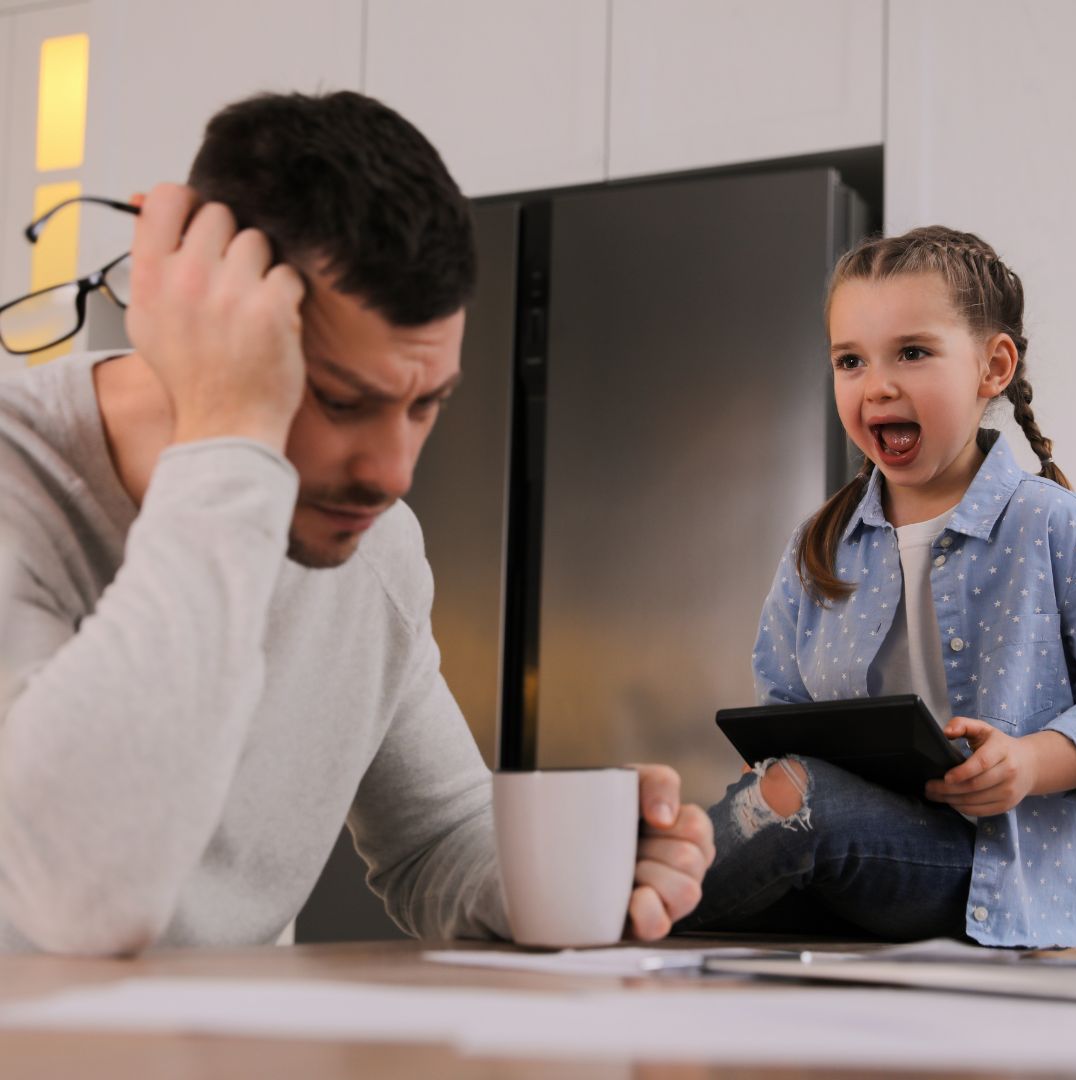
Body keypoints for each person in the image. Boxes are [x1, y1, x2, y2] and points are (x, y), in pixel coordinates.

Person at [0, 90, 713, 955]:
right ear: (201, 305)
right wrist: (233, 440)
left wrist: (570, 869)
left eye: (425, 405)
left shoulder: (375, 549)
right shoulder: (19, 473)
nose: (392, 474)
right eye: (342, 399)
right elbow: (81, 898)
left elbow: (439, 837)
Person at [683, 226, 1076, 947]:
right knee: (774, 798)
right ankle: (622, 907)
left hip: (1001, 877)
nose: (878, 385)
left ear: (993, 367)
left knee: (793, 798)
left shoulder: (1053, 526)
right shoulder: (819, 547)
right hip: (858, 862)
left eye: (913, 353)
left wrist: (1026, 764)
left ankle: (604, 911)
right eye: (849, 361)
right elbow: (783, 708)